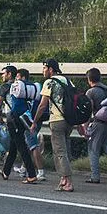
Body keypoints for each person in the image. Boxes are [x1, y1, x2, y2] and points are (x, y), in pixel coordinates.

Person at [31, 59, 75, 192]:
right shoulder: (67, 80)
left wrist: (35, 121)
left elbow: (42, 105)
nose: (43, 71)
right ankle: (63, 179)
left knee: (59, 152)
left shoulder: (49, 82)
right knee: (64, 151)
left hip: (56, 120)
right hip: (69, 120)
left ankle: (68, 181)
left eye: (44, 68)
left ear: (51, 69)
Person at [0, 67, 38, 185]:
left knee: (21, 146)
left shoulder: (14, 87)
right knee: (14, 144)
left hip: (14, 118)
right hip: (24, 117)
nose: (16, 79)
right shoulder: (30, 88)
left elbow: (10, 104)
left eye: (18, 76)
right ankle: (6, 171)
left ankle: (31, 174)